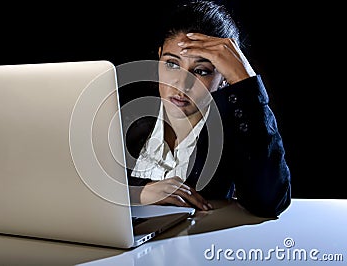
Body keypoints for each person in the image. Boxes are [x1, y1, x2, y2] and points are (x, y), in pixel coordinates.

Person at [122, 0, 291, 218]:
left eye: (201, 71)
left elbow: (270, 202)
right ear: (159, 56)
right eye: (172, 64)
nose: (181, 84)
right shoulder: (126, 115)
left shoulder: (233, 131)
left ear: (223, 78)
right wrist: (135, 194)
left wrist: (246, 83)